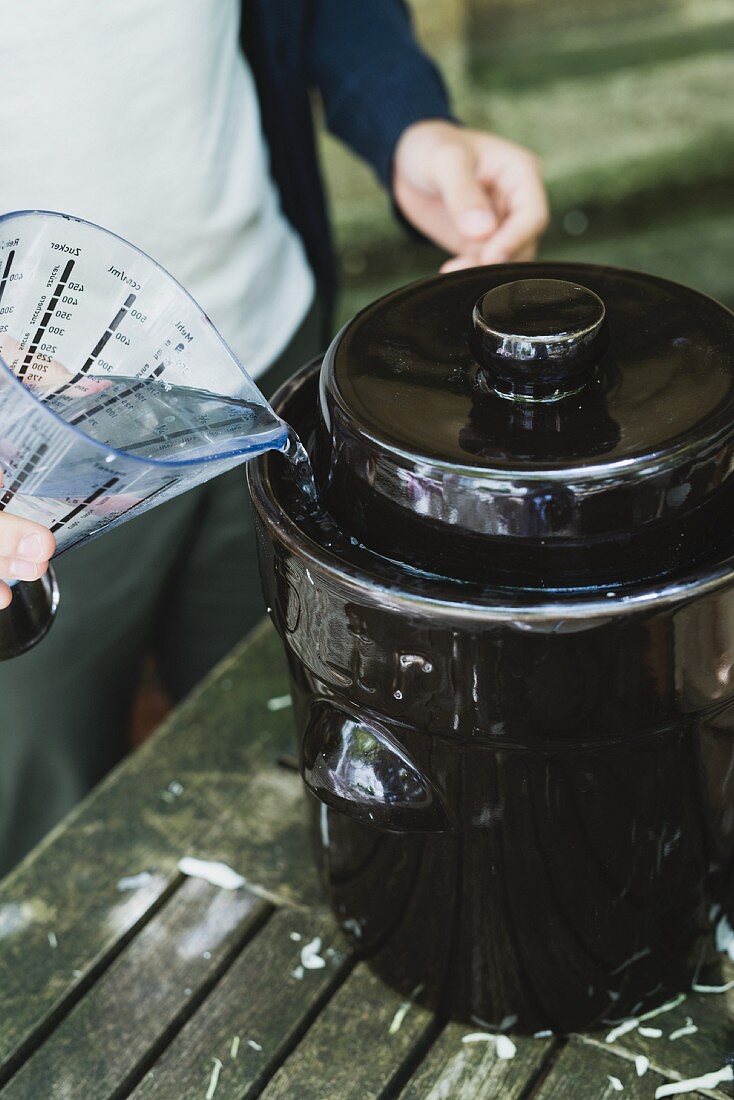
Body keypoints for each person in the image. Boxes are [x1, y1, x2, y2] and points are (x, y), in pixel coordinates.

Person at [0, 0, 548, 877]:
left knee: (274, 749)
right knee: (37, 843)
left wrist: (407, 118)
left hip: (261, 354)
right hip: (25, 461)